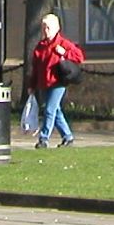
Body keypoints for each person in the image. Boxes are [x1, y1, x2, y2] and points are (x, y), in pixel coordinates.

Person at [26, 12, 85, 149]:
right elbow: (35, 68)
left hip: (58, 83)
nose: (45, 31)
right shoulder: (40, 47)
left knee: (49, 110)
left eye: (48, 28)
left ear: (56, 28)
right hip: (44, 83)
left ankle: (44, 138)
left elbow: (79, 57)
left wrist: (64, 53)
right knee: (55, 111)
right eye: (43, 27)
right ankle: (68, 136)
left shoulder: (63, 44)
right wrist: (32, 85)